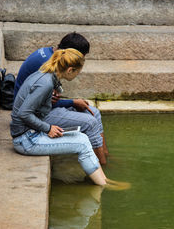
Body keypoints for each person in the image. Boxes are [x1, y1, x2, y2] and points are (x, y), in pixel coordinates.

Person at [10, 48, 130, 190]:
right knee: (83, 143)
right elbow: (23, 113)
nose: (78, 75)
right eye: (78, 72)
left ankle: (103, 179)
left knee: (81, 136)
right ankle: (104, 184)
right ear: (70, 70)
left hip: (30, 133)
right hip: (25, 140)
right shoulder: (46, 83)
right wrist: (48, 128)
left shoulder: (46, 74)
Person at [14, 32, 108, 165]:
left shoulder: (51, 56)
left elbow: (49, 98)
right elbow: (35, 107)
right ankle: (102, 165)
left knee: (95, 113)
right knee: (90, 122)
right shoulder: (46, 67)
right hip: (36, 115)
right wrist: (72, 102)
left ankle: (104, 156)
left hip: (39, 106)